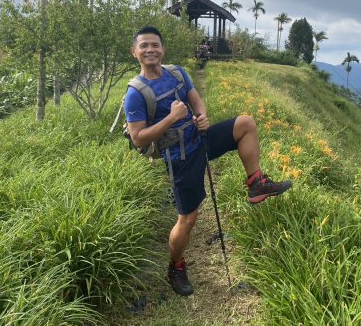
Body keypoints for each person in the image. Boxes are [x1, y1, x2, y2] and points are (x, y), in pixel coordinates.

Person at [124, 26, 292, 297]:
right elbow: (138, 138)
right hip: (179, 157)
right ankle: (175, 266)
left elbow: (196, 102)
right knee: (188, 219)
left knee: (245, 124)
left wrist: (202, 116)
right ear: (135, 53)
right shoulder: (136, 93)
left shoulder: (177, 72)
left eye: (154, 45)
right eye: (144, 46)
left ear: (163, 49)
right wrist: (171, 118)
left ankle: (256, 183)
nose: (150, 49)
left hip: (200, 140)